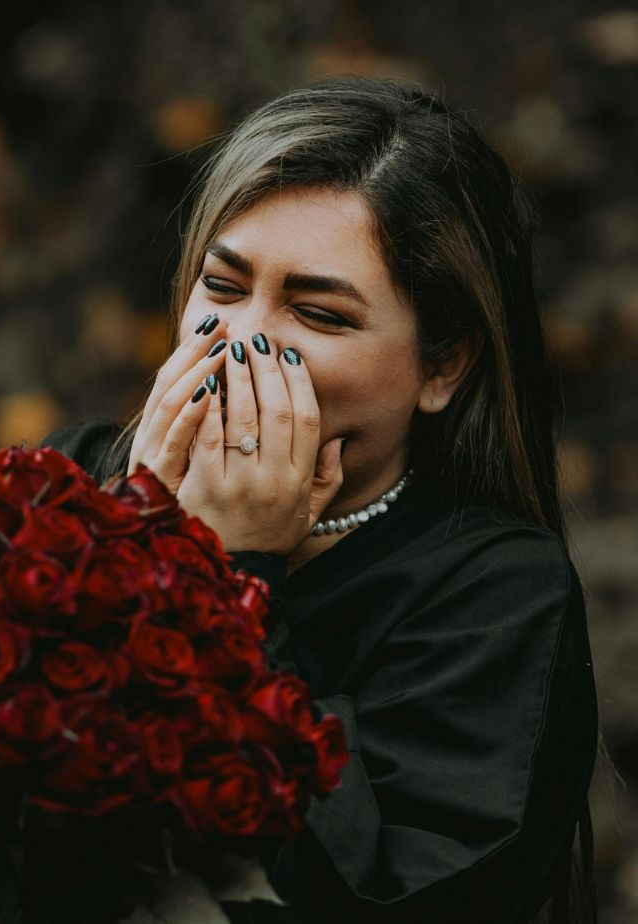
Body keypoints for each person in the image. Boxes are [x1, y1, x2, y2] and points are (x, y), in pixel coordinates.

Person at [45, 78, 598, 923]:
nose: (243, 341)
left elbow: (368, 896)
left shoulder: (494, 599)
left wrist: (226, 574)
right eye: (223, 289)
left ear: (443, 367)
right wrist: (138, 526)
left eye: (318, 313)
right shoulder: (64, 480)